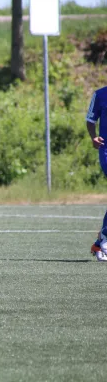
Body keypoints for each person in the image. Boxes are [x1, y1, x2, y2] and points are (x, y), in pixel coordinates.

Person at [86, 85, 107, 262]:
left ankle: (100, 242)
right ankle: (103, 241)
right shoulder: (100, 95)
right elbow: (90, 120)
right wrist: (93, 137)